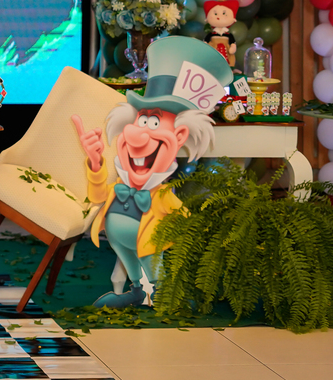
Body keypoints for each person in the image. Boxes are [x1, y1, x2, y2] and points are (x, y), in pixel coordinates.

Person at [72, 36, 232, 308]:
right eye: (141, 120)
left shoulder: (162, 195)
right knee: (130, 262)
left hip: (148, 240)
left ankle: (164, 293)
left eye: (154, 122)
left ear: (179, 136)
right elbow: (97, 196)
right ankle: (136, 290)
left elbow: (185, 221)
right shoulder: (119, 183)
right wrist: (96, 163)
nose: (138, 134)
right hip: (119, 239)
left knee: (154, 267)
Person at [203, 0, 239, 68]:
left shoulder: (229, 35)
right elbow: (205, 42)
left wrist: (232, 48)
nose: (219, 17)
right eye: (215, 14)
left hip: (226, 54)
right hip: (213, 52)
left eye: (224, 14)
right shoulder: (211, 34)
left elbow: (232, 43)